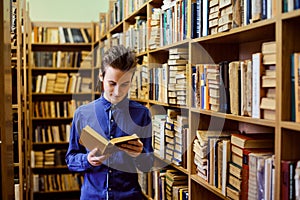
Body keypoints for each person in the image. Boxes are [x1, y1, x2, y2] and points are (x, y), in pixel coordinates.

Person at [65, 45, 154, 200]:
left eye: (125, 84)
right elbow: (70, 159)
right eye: (112, 83)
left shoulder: (142, 114)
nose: (118, 91)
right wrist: (87, 160)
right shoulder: (82, 114)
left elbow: (147, 165)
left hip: (129, 196)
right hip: (91, 196)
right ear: (101, 76)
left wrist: (139, 155)